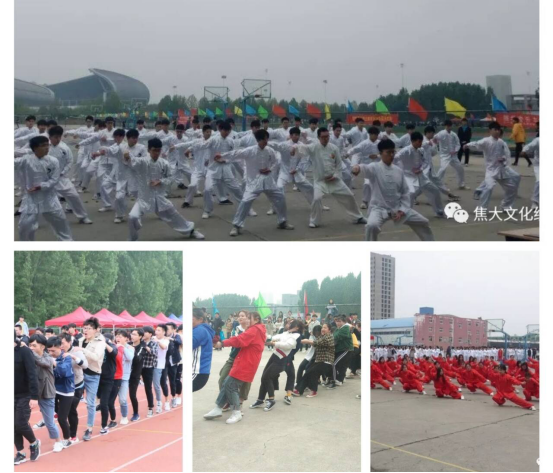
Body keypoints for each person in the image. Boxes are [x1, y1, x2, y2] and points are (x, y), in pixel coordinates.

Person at [124, 137, 205, 241]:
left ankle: (191, 231)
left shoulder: (164, 163)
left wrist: (160, 181)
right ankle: (132, 239)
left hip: (159, 198)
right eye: (154, 150)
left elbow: (171, 178)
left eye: (159, 150)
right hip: (144, 198)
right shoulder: (142, 162)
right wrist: (127, 156)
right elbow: (132, 161)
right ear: (148, 150)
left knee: (174, 215)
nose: (157, 153)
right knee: (132, 217)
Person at [354, 139, 435, 241]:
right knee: (371, 226)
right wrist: (357, 167)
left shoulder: (398, 171)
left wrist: (402, 210)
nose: (391, 155)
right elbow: (364, 168)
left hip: (397, 208)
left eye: (393, 152)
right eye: (388, 152)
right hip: (379, 208)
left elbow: (405, 192)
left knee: (423, 222)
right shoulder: (374, 167)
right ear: (380, 153)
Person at [219, 129, 295, 236]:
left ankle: (282, 222)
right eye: (264, 139)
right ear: (258, 140)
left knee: (280, 198)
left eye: (267, 139)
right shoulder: (250, 151)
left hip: (268, 181)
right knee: (245, 201)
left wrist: (270, 169)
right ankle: (236, 226)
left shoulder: (270, 150)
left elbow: (276, 161)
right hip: (253, 182)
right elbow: (236, 153)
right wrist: (222, 156)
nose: (266, 141)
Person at [295, 128, 367, 228]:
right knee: (316, 199)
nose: (325, 139)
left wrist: (336, 176)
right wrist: (294, 148)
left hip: (334, 180)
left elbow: (339, 164)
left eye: (327, 136)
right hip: (320, 181)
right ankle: (314, 221)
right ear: (318, 137)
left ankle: (358, 217)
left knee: (349, 195)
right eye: (323, 137)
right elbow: (302, 148)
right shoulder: (314, 147)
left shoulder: (334, 148)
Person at [204, 312, 267, 425]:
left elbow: (239, 340)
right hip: (244, 361)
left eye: (248, 318)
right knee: (226, 383)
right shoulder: (255, 329)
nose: (246, 319)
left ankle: (236, 412)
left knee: (230, 385)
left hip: (246, 363)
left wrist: (222, 343)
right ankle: (218, 408)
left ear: (256, 319)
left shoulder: (255, 330)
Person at [15, 135, 73, 241]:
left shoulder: (53, 161)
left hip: (49, 197)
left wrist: (41, 186)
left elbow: (54, 179)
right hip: (31, 198)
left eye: (47, 145)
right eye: (43, 146)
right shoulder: (26, 160)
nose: (46, 148)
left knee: (61, 222)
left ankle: (67, 242)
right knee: (24, 226)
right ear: (35, 148)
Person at [249, 320, 303, 412]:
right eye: (288, 323)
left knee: (267, 377)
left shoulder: (297, 335)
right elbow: (274, 337)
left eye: (291, 323)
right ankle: (260, 399)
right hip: (275, 355)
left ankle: (271, 400)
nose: (288, 324)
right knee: (264, 377)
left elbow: (288, 345)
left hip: (283, 359)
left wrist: (274, 343)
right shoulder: (286, 333)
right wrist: (264, 335)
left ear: (297, 327)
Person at [465, 122, 521, 211]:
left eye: (498, 130)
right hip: (491, 171)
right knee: (489, 187)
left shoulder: (501, 142)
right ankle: (482, 208)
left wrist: (503, 159)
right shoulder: (486, 141)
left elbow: (505, 154)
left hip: (502, 171)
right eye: (495, 130)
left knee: (512, 188)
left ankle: (505, 206)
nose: (497, 131)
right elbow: (477, 144)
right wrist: (467, 145)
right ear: (490, 130)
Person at [394, 132, 445, 216]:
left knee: (435, 190)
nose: (421, 143)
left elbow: (426, 161)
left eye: (421, 141)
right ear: (413, 141)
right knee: (411, 193)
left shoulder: (420, 149)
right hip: (408, 176)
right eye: (419, 141)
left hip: (420, 175)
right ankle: (406, 212)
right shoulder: (406, 151)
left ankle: (439, 210)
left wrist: (420, 169)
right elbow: (395, 158)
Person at [28, 334, 63, 453]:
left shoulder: (48, 358)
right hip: (31, 392)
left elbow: (42, 362)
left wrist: (28, 351)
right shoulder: (29, 357)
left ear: (43, 347)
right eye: (30, 345)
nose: (31, 348)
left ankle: (58, 441)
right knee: (20, 420)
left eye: (34, 345)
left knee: (49, 422)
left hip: (46, 393)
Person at [77, 317, 106, 442]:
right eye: (84, 328)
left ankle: (89, 428)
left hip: (93, 374)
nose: (86, 330)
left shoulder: (100, 342)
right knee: (71, 400)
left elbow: (96, 357)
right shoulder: (80, 340)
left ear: (95, 330)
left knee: (90, 403)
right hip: (78, 373)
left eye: (89, 328)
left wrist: (83, 350)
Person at [15, 331, 41, 465]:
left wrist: (34, 397)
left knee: (20, 423)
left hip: (24, 394)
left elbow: (32, 374)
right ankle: (20, 452)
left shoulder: (24, 352)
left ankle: (34, 443)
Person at [46, 336, 75, 449]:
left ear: (60, 348)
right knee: (54, 413)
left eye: (53, 351)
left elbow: (63, 371)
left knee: (62, 418)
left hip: (66, 391)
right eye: (49, 351)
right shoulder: (48, 356)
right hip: (54, 390)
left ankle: (67, 439)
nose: (51, 353)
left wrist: (53, 362)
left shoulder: (66, 357)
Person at [59, 333, 87, 444]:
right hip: (63, 386)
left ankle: (73, 435)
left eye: (63, 343)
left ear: (69, 342)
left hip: (77, 385)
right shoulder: (57, 352)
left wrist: (73, 356)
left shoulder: (77, 352)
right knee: (61, 410)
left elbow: (85, 365)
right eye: (59, 343)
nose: (61, 346)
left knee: (71, 410)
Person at [295, 324, 335, 398]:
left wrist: (307, 341)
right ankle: (298, 390)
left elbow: (317, 343)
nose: (323, 329)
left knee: (312, 372)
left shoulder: (329, 337)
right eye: (322, 327)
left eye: (325, 328)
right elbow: (316, 341)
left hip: (326, 362)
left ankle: (313, 391)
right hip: (319, 361)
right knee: (308, 372)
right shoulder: (322, 336)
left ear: (329, 330)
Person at [434, 120, 469, 190]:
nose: (449, 127)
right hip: (444, 155)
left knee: (460, 169)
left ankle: (461, 184)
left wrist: (455, 150)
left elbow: (457, 144)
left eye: (450, 126)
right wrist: (435, 142)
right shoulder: (441, 133)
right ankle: (437, 185)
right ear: (445, 126)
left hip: (453, 155)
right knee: (442, 169)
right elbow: (434, 138)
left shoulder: (453, 134)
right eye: (448, 126)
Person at [193, 309, 215, 392]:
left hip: (197, 372)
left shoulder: (200, 330)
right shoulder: (201, 330)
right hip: (200, 372)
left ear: (200, 319)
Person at [129, 329, 146, 421]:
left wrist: (133, 350)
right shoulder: (128, 344)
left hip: (134, 375)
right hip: (124, 374)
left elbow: (137, 359)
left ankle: (136, 413)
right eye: (132, 334)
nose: (132, 336)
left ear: (140, 337)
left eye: (135, 334)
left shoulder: (142, 347)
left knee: (132, 395)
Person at [152, 325, 170, 413]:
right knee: (153, 385)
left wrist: (157, 341)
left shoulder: (165, 340)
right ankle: (156, 402)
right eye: (156, 330)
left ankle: (163, 402)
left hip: (160, 365)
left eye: (159, 330)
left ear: (163, 332)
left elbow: (163, 347)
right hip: (150, 364)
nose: (156, 332)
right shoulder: (152, 339)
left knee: (160, 384)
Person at [141, 326, 157, 417]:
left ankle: (150, 407)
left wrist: (145, 346)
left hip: (148, 367)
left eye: (145, 332)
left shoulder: (153, 343)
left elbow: (154, 353)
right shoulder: (140, 342)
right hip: (138, 367)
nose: (143, 333)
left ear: (150, 334)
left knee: (148, 388)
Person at [521, 127, 539, 209]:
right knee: (540, 181)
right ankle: (535, 201)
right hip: (539, 165)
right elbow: (529, 146)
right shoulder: (538, 140)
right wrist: (524, 151)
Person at [166, 323, 182, 408]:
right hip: (164, 362)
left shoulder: (176, 336)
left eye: (168, 329)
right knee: (164, 381)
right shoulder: (163, 336)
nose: (167, 331)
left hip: (174, 362)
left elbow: (179, 342)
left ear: (173, 330)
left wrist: (171, 339)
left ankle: (175, 397)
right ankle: (166, 400)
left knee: (174, 380)